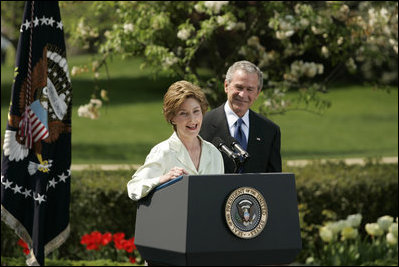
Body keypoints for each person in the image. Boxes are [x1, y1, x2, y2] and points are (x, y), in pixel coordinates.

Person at [127, 80, 224, 201]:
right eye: (184, 113)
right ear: (172, 118)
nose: (192, 120)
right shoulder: (163, 151)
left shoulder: (214, 153)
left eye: (196, 111)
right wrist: (163, 179)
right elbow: (133, 188)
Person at [199, 60, 282, 173]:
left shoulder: (270, 130)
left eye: (250, 89)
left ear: (257, 93)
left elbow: (275, 180)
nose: (243, 95)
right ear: (226, 86)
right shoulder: (202, 124)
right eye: (239, 87)